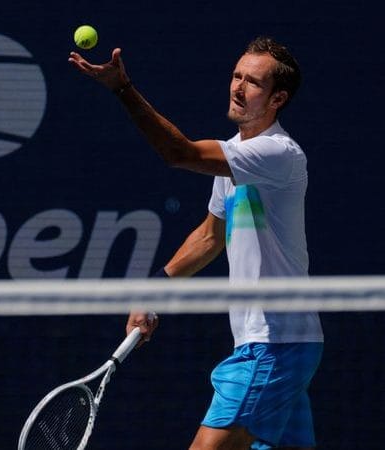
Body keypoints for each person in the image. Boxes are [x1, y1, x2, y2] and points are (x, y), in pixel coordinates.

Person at [69, 37, 324, 450]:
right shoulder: (235, 156)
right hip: (280, 345)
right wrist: (154, 290)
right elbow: (210, 236)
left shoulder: (278, 154)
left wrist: (123, 89)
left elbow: (178, 153)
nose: (238, 87)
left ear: (278, 99)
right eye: (237, 76)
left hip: (274, 345)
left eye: (253, 82)